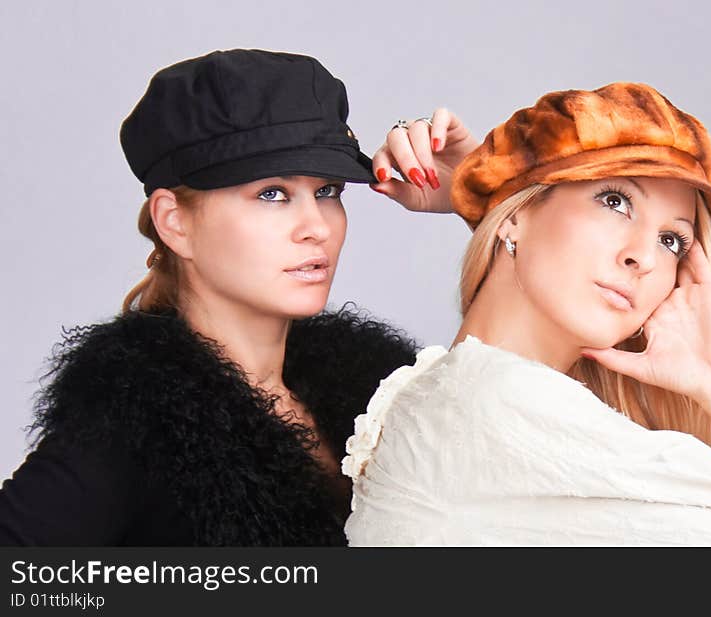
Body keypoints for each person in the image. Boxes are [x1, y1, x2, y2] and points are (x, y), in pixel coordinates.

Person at [343, 83, 711, 546]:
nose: (643, 257)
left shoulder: (464, 404)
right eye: (615, 201)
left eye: (672, 239)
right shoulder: (503, 403)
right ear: (517, 214)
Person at [0, 49, 470, 546]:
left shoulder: (371, 394)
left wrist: (478, 197)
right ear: (174, 222)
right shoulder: (137, 425)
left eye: (328, 190)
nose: (316, 227)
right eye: (272, 193)